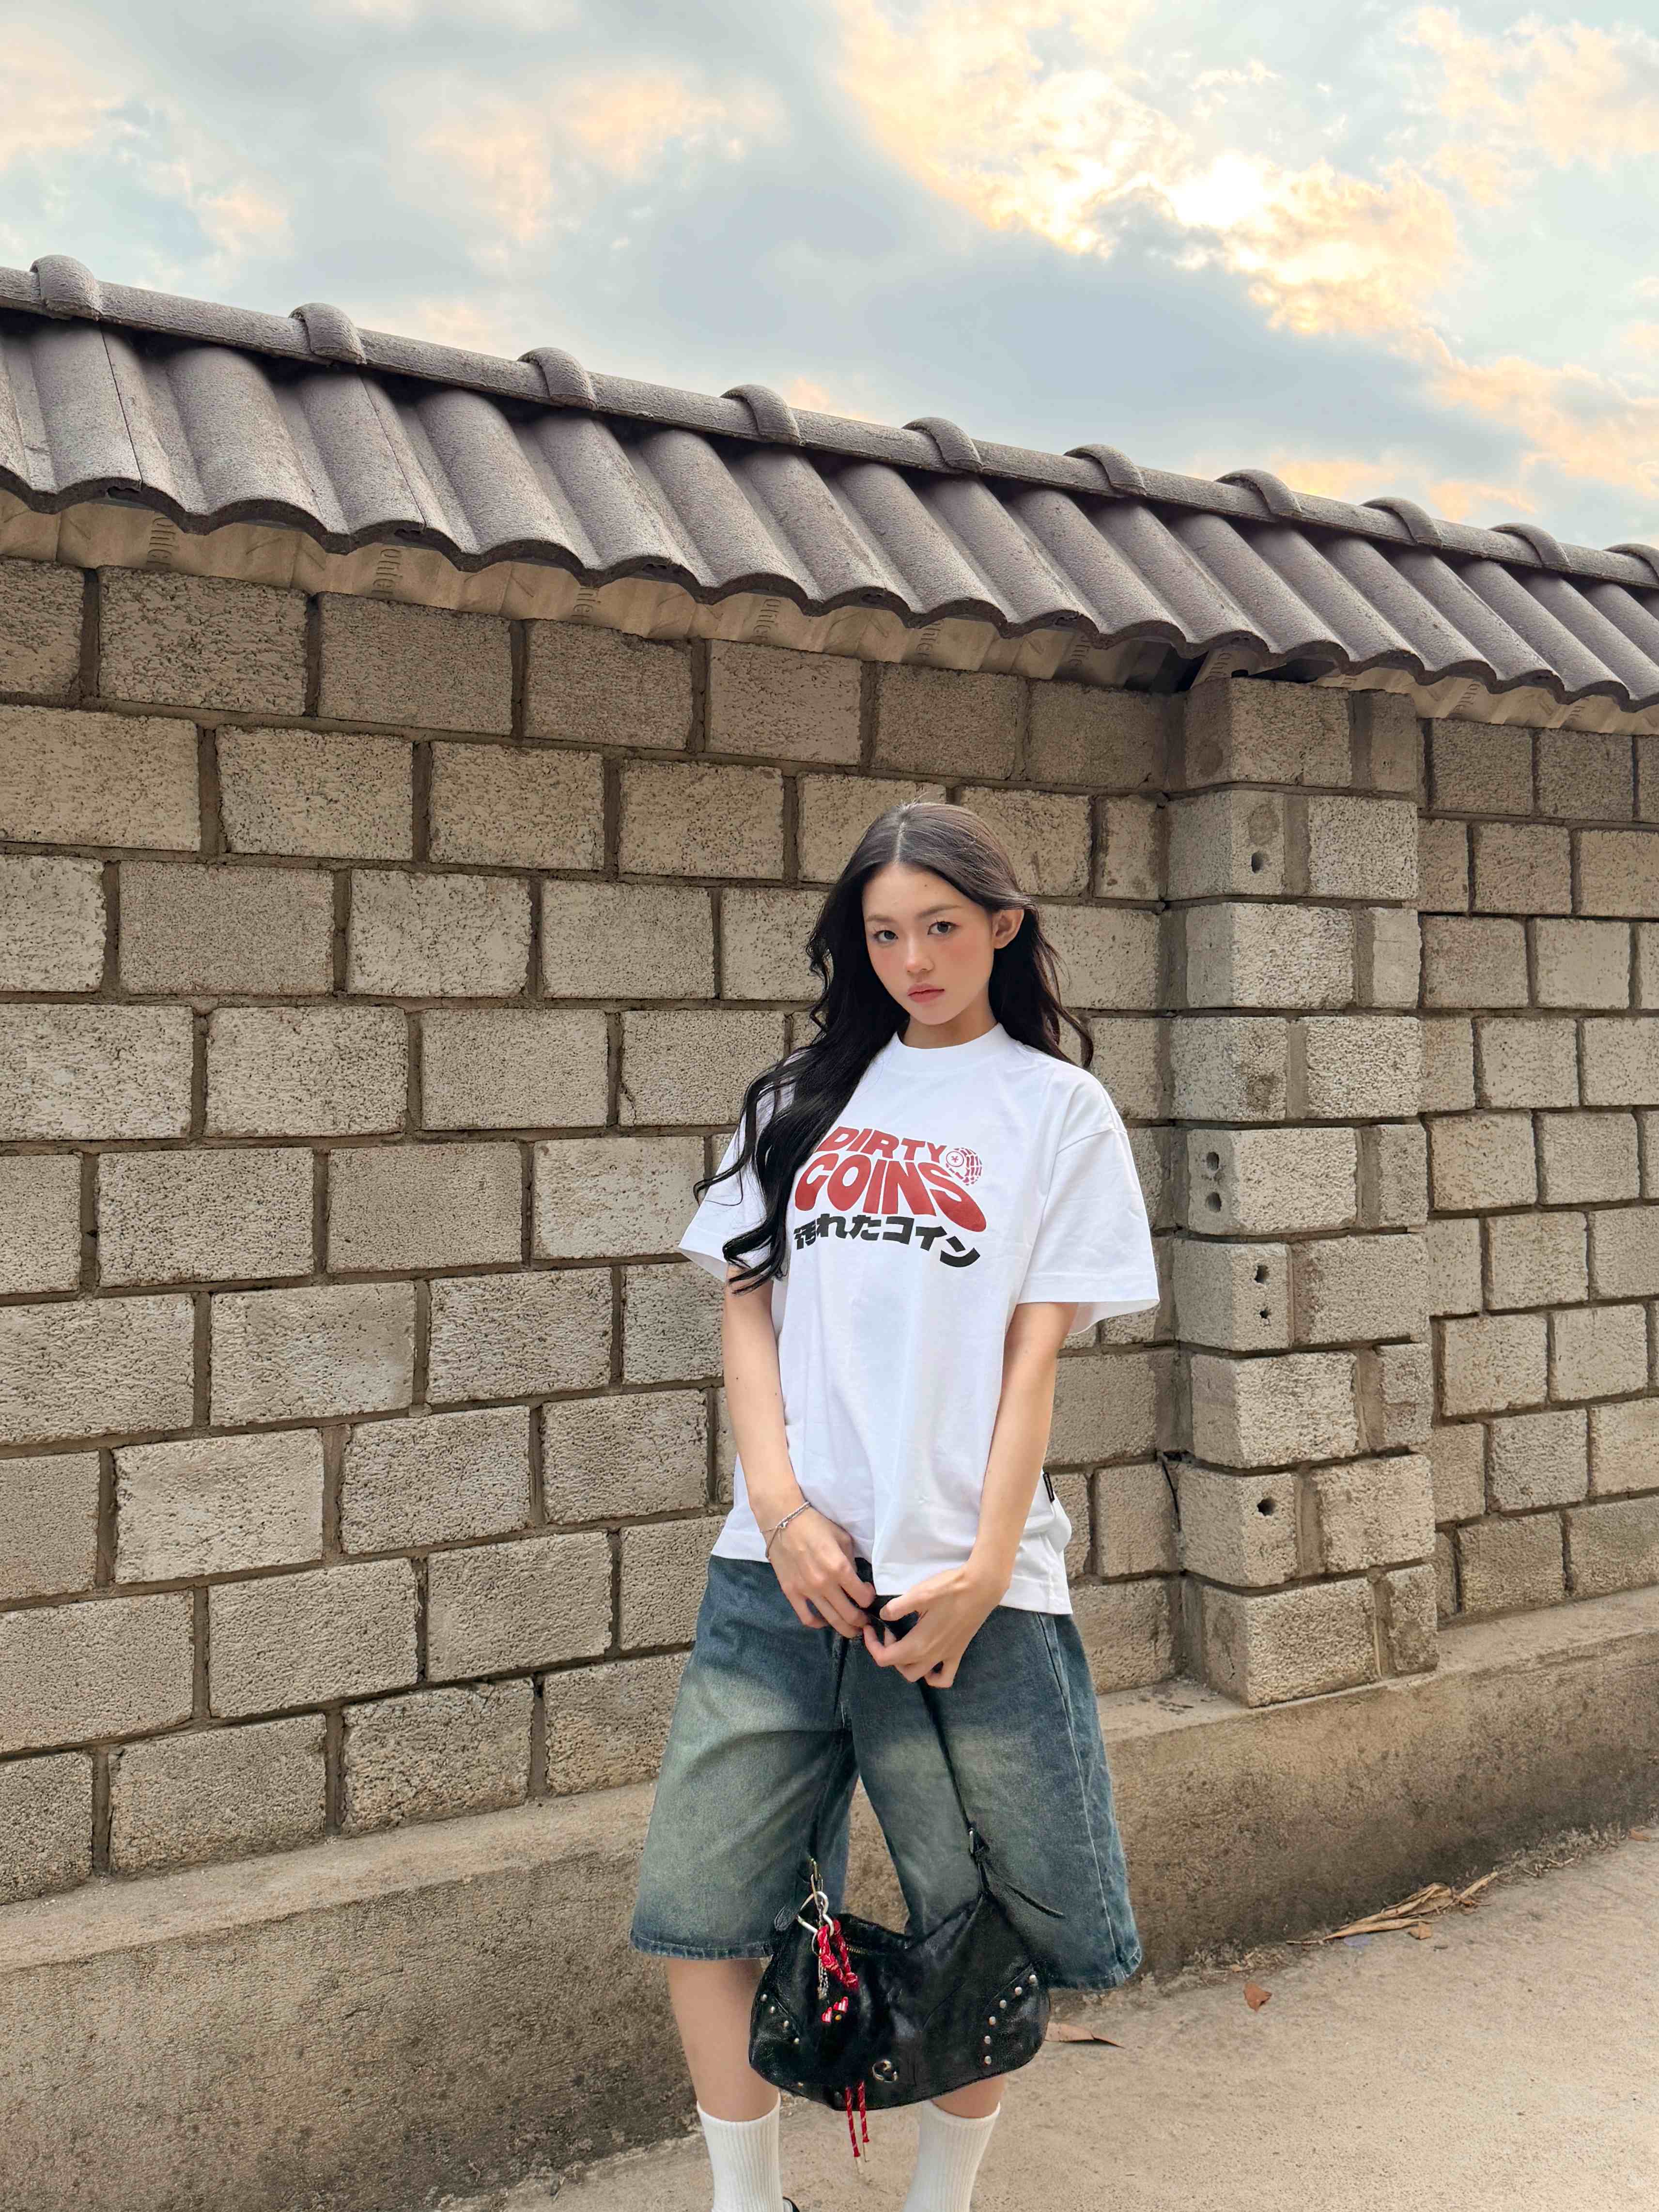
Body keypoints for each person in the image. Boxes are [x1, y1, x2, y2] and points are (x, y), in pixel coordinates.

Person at [628, 800, 1160, 2212]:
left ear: (1004, 928)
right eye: (882, 934)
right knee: (704, 1906)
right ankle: (749, 2204)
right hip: (779, 1578)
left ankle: (941, 2200)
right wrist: (784, 1512)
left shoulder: (1056, 1112)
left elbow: (1033, 1361)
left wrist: (984, 1571)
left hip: (962, 1591)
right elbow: (746, 1315)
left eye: (941, 927)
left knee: (974, 1924)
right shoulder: (795, 1100)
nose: (913, 959)